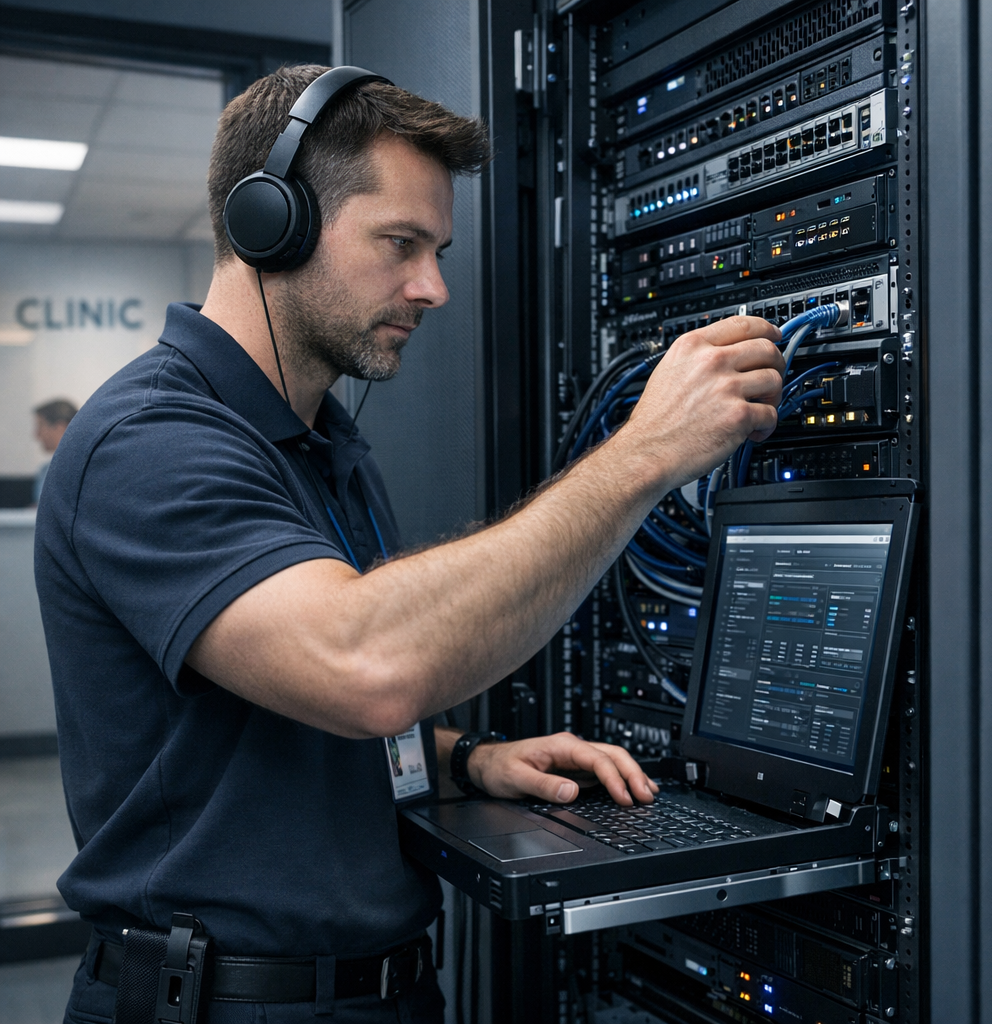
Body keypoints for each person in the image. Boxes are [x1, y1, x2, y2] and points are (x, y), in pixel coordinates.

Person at [34, 66, 784, 1024]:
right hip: (223, 1003)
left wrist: (466, 760)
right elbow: (364, 666)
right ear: (271, 222)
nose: (432, 287)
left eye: (438, 250)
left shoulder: (324, 444)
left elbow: (278, 730)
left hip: (376, 991)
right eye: (401, 243)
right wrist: (646, 451)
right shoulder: (147, 444)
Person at [31, 398, 77, 505]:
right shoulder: (45, 470)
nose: (36, 434)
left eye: (40, 426)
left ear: (60, 427)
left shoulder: (81, 469)